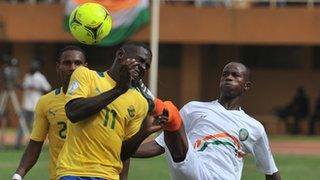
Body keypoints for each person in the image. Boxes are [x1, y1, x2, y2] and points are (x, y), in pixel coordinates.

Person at [134, 62, 281, 180]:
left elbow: (271, 171)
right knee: (171, 112)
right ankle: (150, 98)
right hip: (193, 169)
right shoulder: (194, 108)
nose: (228, 77)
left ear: (246, 86)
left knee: (172, 115)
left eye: (235, 75)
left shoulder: (254, 127)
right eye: (225, 75)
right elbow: (160, 145)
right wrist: (122, 150)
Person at [56, 42, 165, 180]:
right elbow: (73, 112)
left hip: (109, 175)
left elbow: (123, 154)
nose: (143, 67)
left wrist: (145, 131)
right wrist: (118, 90)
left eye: (146, 65)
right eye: (140, 60)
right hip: (74, 171)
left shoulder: (140, 102)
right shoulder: (86, 75)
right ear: (120, 55)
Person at [12, 46, 87, 180]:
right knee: (23, 129)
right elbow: (35, 143)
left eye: (78, 63)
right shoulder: (46, 102)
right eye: (67, 63)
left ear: (86, 67)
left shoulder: (98, 99)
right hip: (61, 175)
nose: (73, 67)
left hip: (93, 175)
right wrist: (18, 175)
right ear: (58, 67)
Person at [15, 60, 51, 149]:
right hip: (26, 104)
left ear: (37, 68)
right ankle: (17, 144)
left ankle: (34, 145)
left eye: (33, 67)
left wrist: (37, 88)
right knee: (22, 125)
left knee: (34, 126)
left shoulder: (40, 77)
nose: (31, 68)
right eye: (31, 66)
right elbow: (24, 86)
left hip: (35, 105)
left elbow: (47, 88)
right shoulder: (27, 76)